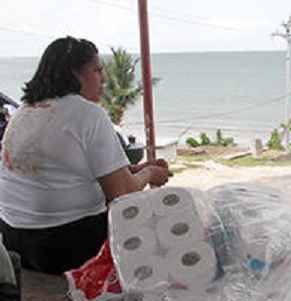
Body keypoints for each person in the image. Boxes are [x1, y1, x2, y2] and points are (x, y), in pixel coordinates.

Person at [0, 36, 173, 275]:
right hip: (63, 242)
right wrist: (150, 173)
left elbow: (64, 172)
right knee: (158, 228)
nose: (104, 79)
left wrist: (135, 169)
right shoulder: (87, 113)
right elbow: (122, 192)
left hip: (14, 236)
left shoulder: (27, 110)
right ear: (74, 74)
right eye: (98, 70)